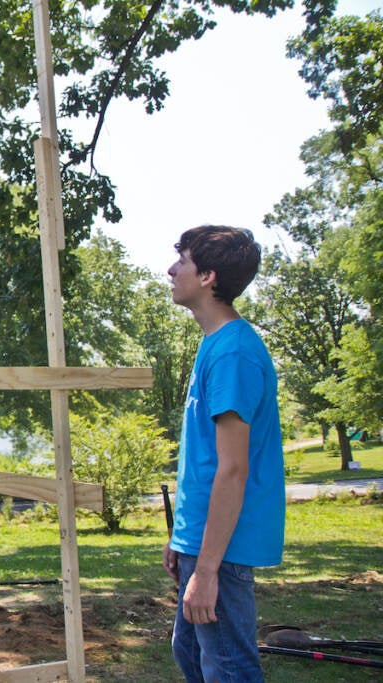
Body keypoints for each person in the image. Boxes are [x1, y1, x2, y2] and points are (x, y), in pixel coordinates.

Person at [162, 226, 285, 682]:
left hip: (225, 548)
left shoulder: (233, 352)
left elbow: (233, 470)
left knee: (228, 666)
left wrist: (208, 568)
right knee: (191, 655)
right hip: (203, 538)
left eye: (184, 262)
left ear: (209, 276)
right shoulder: (213, 344)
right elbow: (206, 461)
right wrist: (182, 538)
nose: (172, 270)